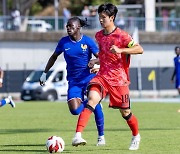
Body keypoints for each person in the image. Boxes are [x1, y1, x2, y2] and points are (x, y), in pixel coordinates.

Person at [72, 3, 143, 150]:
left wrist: (121, 50)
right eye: (99, 17)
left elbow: (139, 49)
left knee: (125, 113)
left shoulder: (122, 35)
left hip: (119, 79)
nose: (101, 20)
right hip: (102, 76)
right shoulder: (99, 35)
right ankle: (77, 135)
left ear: (112, 17)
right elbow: (105, 55)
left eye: (104, 17)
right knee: (92, 99)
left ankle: (136, 135)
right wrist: (96, 62)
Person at [39, 17, 105, 146]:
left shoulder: (87, 41)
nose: (68, 28)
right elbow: (53, 57)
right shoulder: (64, 42)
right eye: (67, 26)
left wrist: (95, 63)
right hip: (73, 82)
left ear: (78, 27)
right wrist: (44, 73)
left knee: (94, 103)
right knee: (75, 110)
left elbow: (102, 58)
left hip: (89, 80)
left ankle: (101, 136)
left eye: (71, 26)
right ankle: (90, 103)